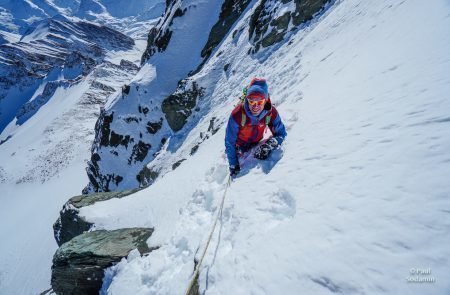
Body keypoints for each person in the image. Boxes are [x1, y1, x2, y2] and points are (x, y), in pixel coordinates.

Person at [225, 78, 287, 177]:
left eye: (260, 102)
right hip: (240, 146)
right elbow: (229, 141)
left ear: (266, 100)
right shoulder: (237, 115)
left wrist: (271, 144)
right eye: (251, 102)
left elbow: (281, 133)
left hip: (257, 141)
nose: (255, 106)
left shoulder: (271, 113)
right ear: (247, 100)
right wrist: (233, 164)